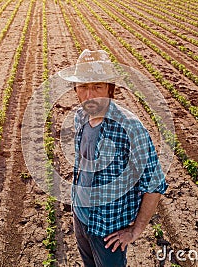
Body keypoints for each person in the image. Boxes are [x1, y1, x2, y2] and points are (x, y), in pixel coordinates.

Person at [60, 49, 168, 267]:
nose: (89, 95)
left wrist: (135, 230)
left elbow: (154, 184)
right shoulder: (80, 116)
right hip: (80, 217)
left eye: (97, 86)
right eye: (83, 87)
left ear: (110, 89)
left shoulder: (130, 128)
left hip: (108, 230)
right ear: (76, 90)